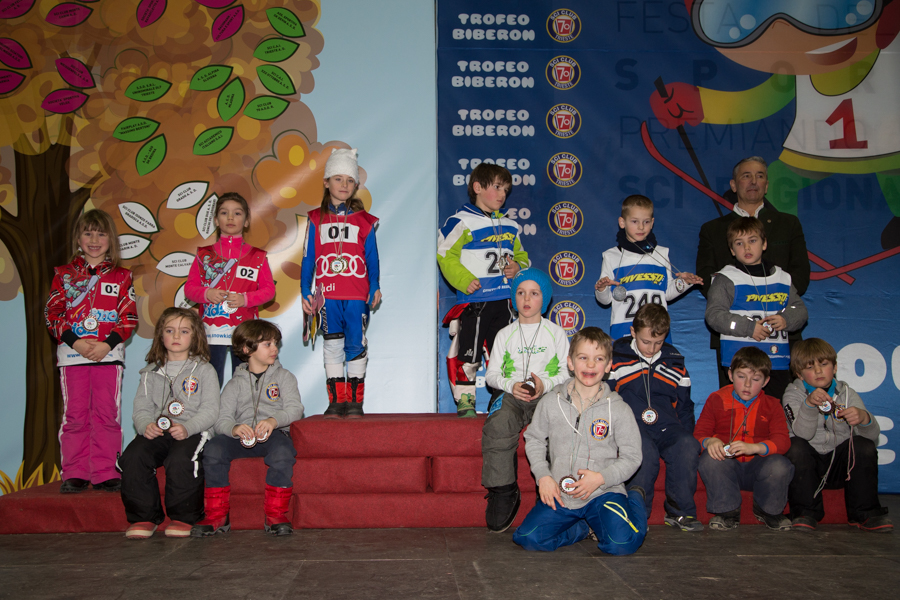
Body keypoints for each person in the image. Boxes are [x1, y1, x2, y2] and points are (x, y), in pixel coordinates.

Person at [512, 327, 647, 555]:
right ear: (570, 363)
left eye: (599, 359)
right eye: (583, 358)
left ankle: (635, 498)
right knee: (527, 538)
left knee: (621, 545)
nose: (590, 365)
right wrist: (543, 476)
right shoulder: (551, 402)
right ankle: (582, 528)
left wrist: (601, 478)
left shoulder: (619, 409)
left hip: (603, 492)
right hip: (562, 493)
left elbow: (632, 456)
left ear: (608, 365)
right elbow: (534, 439)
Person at [45, 209, 138, 494]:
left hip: (108, 358)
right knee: (75, 415)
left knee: (106, 414)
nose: (94, 240)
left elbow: (129, 318)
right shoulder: (63, 275)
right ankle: (74, 472)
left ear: (111, 240)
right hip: (72, 356)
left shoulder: (122, 276)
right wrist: (75, 342)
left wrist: (106, 345)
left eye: (101, 234)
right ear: (78, 238)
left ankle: (106, 470)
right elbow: (52, 314)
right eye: (88, 233)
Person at [697, 156, 811, 387]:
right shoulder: (712, 229)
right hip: (735, 337)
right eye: (746, 176)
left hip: (781, 335)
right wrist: (744, 314)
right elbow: (706, 277)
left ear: (767, 185)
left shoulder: (788, 224)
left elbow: (800, 274)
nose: (753, 181)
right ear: (733, 185)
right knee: (736, 402)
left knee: (782, 402)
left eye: (760, 176)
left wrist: (778, 310)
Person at [192, 320, 304, 537]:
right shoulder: (234, 384)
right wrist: (234, 428)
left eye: (276, 343)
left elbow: (295, 409)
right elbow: (221, 419)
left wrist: (273, 421)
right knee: (214, 449)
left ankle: (275, 514)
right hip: (241, 438)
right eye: (267, 344)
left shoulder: (284, 377)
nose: (274, 349)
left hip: (274, 434)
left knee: (283, 451)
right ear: (247, 349)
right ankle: (217, 515)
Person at [437, 163, 529, 417]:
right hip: (475, 300)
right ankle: (465, 399)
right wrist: (463, 279)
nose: (502, 194)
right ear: (477, 187)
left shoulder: (511, 226)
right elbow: (445, 254)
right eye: (497, 187)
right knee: (469, 350)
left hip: (505, 300)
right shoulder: (461, 221)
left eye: (506, 189)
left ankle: (501, 400)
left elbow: (523, 257)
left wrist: (517, 267)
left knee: (503, 353)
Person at [119, 308, 220, 539]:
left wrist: (188, 427)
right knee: (134, 456)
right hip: (159, 430)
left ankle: (184, 517)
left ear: (194, 336)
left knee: (181, 459)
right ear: (160, 336)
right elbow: (141, 408)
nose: (176, 336)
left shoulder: (204, 370)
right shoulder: (149, 372)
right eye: (169, 330)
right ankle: (144, 517)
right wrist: (146, 425)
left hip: (194, 430)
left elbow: (211, 410)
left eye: (184, 331)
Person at [481, 268, 569, 532]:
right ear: (513, 298)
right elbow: (491, 376)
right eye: (520, 293)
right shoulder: (504, 334)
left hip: (547, 395)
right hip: (512, 394)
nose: (526, 299)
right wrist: (511, 385)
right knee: (498, 424)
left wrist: (545, 384)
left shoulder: (556, 333)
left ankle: (552, 489)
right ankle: (503, 489)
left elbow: (567, 373)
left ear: (546, 299)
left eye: (534, 293)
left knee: (558, 426)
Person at [301, 148, 380, 419]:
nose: (344, 185)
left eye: (349, 180)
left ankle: (355, 403)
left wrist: (375, 285)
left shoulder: (365, 220)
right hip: (327, 296)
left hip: (357, 294)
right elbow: (308, 258)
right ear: (326, 182)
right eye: (338, 179)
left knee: (355, 344)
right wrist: (304, 290)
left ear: (356, 185)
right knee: (332, 344)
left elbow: (372, 257)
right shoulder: (315, 218)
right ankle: (337, 402)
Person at [782, 338, 892, 532]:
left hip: (839, 467)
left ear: (834, 368)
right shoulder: (792, 394)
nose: (818, 371)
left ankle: (865, 513)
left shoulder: (847, 394)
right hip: (808, 467)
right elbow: (803, 434)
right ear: (799, 374)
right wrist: (809, 405)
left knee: (863, 445)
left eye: (824, 364)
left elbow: (872, 436)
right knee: (795, 445)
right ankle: (805, 513)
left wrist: (864, 418)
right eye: (810, 367)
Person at [609, 303, 701, 531]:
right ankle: (636, 514)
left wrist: (686, 434)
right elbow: (606, 399)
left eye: (658, 342)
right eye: (646, 342)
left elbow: (685, 405)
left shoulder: (676, 362)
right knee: (645, 450)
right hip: (631, 425)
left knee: (687, 445)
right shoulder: (616, 358)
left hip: (667, 426)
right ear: (633, 332)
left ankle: (680, 513)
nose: (651, 349)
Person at [705, 216, 808, 400]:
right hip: (739, 364)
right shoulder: (725, 278)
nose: (746, 248)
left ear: (764, 244)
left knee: (774, 411)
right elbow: (714, 315)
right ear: (732, 250)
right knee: (739, 413)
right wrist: (749, 327)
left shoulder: (782, 277)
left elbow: (800, 310)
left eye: (752, 241)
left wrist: (786, 319)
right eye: (739, 243)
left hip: (776, 362)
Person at [695, 347, 794, 531]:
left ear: (766, 381)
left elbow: (783, 441)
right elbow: (699, 434)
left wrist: (755, 448)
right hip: (727, 466)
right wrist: (709, 442)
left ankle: (768, 510)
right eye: (741, 377)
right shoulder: (716, 399)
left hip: (759, 466)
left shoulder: (773, 405)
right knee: (710, 459)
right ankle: (727, 511)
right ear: (730, 375)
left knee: (780, 465)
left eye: (755, 379)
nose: (747, 385)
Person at [185, 192, 275, 386]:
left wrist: (245, 299)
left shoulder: (257, 256)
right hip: (211, 330)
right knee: (210, 382)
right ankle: (210, 408)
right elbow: (189, 289)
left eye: (237, 213)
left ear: (247, 221)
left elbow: (269, 291)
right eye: (224, 213)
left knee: (244, 382)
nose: (231, 218)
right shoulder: (203, 255)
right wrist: (206, 294)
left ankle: (243, 408)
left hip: (245, 331)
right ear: (216, 220)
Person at [594, 194, 702, 340]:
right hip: (623, 331)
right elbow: (605, 300)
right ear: (622, 222)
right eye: (634, 221)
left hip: (658, 331)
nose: (641, 227)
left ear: (652, 223)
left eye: (646, 222)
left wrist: (684, 283)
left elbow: (667, 294)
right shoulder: (611, 256)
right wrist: (601, 289)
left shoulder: (662, 253)